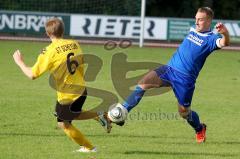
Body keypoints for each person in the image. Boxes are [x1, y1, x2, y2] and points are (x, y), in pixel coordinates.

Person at [110, 7, 230, 143]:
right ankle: (122, 112)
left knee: (184, 113)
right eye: (196, 18)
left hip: (185, 80)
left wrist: (225, 33)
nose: (196, 22)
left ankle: (199, 128)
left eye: (200, 20)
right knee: (142, 84)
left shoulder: (211, 40)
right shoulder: (193, 30)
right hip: (169, 69)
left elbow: (224, 43)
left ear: (209, 21)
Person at [13, 18, 111, 152]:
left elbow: (32, 75)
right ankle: (98, 115)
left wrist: (20, 62)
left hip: (67, 96)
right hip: (81, 89)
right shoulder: (74, 43)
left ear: (47, 33)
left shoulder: (48, 51)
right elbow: (81, 62)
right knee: (73, 114)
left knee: (63, 124)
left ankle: (90, 148)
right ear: (63, 30)